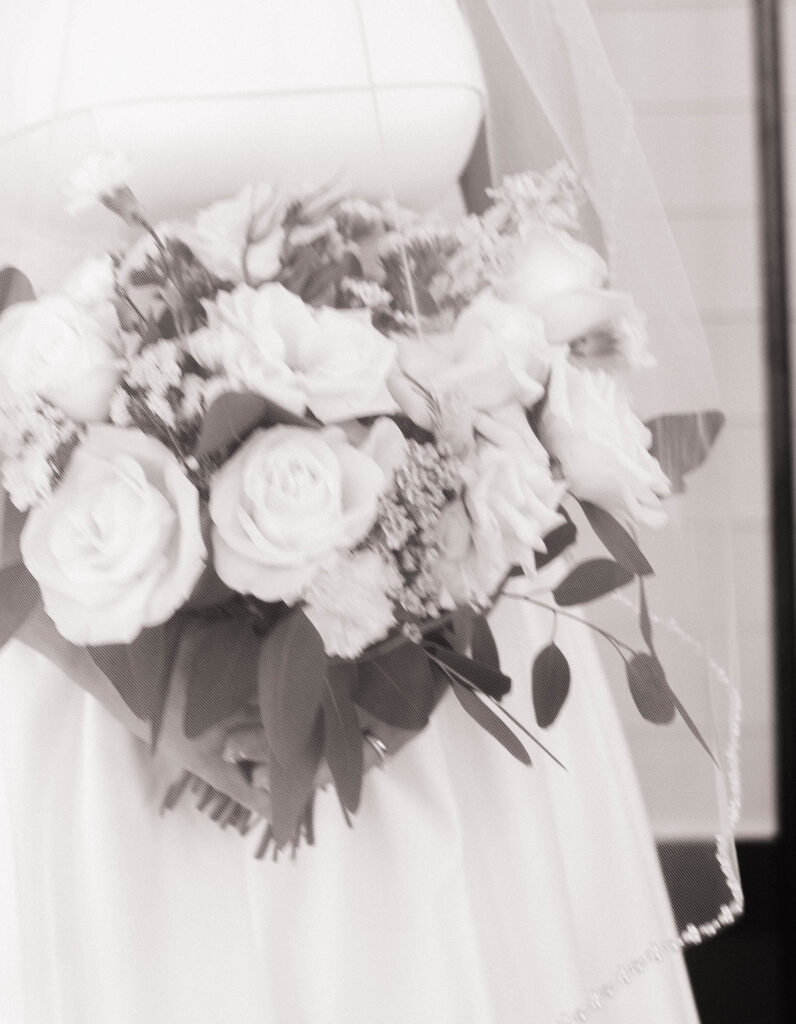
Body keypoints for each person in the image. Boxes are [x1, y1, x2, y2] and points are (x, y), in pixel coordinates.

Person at [0, 2, 740, 1021]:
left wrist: (420, 637)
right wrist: (154, 701)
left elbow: (523, 298)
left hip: (444, 678)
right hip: (108, 678)